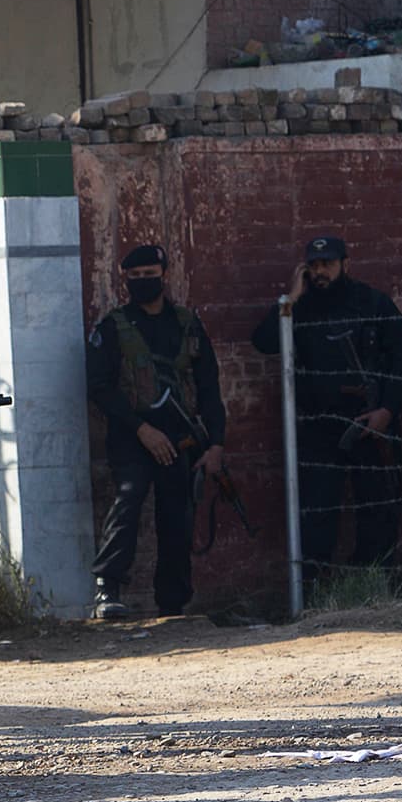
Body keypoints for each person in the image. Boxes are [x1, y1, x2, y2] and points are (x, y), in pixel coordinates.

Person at [251, 236, 402, 590]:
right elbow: (264, 342)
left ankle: (372, 587)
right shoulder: (302, 308)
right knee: (317, 512)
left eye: (327, 263)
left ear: (345, 264)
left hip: (369, 422)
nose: (320, 271)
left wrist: (387, 410)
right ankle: (314, 594)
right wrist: (289, 300)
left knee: (377, 506)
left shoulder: (372, 303)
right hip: (319, 427)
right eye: (314, 265)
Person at [87, 244, 226, 620]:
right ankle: (107, 590)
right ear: (125, 280)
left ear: (164, 275)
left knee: (177, 514)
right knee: (128, 501)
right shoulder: (114, 327)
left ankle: (173, 603)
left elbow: (209, 385)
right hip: (133, 435)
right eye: (136, 277)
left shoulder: (186, 323)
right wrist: (142, 429)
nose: (144, 282)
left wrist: (216, 443)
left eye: (151, 275)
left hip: (180, 436)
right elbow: (99, 387)